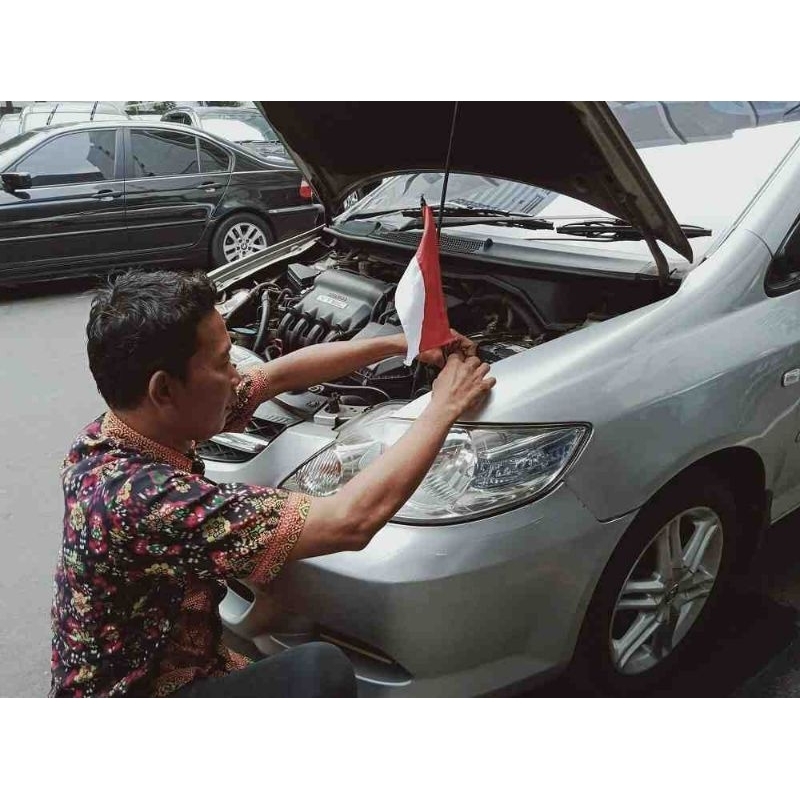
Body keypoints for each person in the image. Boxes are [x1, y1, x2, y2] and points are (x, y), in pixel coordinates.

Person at [50, 270, 495, 697]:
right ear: (163, 390)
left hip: (159, 658)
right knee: (319, 669)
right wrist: (444, 406)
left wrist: (400, 344)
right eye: (224, 362)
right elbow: (348, 521)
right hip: (142, 695)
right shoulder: (143, 499)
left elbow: (277, 376)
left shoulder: (110, 436)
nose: (237, 376)